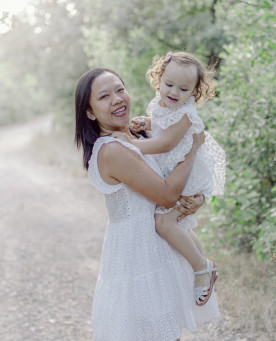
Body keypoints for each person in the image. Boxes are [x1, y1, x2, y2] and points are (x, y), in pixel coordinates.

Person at [75, 67, 220, 340]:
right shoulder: (112, 149)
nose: (117, 99)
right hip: (136, 257)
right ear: (91, 112)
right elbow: (166, 195)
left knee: (168, 334)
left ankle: (204, 267)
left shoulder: (137, 137)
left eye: (120, 89)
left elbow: (173, 176)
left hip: (160, 251)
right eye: (105, 96)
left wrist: (196, 198)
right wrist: (192, 148)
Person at [112, 51, 226, 306]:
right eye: (169, 84)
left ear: (195, 93)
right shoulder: (163, 103)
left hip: (188, 172)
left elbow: (165, 143)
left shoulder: (186, 114)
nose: (174, 92)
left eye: (183, 89)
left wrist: (131, 144)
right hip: (176, 166)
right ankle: (204, 264)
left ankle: (202, 268)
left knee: (164, 223)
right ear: (159, 78)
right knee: (179, 223)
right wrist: (147, 123)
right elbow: (163, 127)